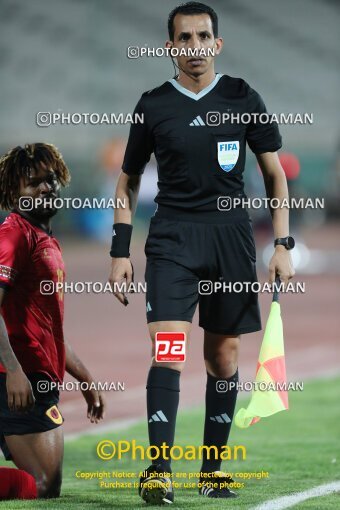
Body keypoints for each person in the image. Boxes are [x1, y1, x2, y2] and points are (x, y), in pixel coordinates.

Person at [109, 1, 295, 504]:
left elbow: (275, 175)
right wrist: (120, 250)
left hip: (231, 240)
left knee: (223, 357)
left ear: (217, 43)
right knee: (168, 350)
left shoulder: (242, 96)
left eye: (203, 37)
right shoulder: (152, 104)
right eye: (184, 38)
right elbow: (126, 182)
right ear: (170, 46)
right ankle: (159, 471)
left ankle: (212, 472)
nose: (194, 47)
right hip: (172, 239)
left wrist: (280, 244)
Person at [0, 143, 105, 500]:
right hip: (17, 378)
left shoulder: (47, 240)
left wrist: (85, 377)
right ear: (14, 192)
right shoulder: (14, 234)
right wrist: (12, 370)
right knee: (42, 485)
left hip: (38, 377)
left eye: (50, 180)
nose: (47, 188)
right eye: (34, 183)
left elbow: (49, 327)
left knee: (47, 484)